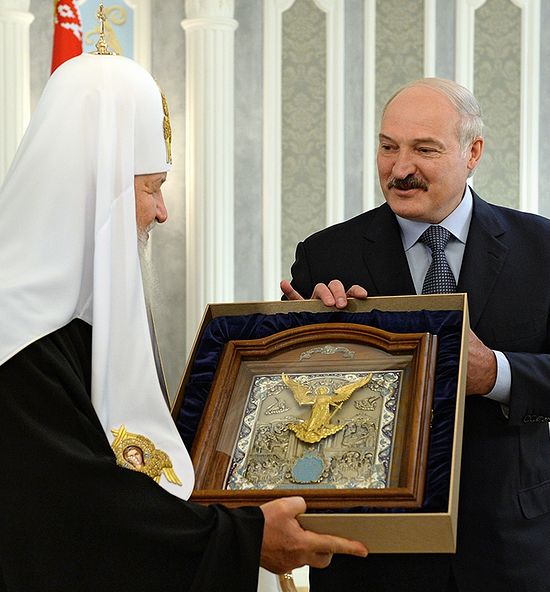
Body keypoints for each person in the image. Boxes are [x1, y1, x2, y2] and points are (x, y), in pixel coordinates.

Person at [0, 52, 367, 591]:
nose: (162, 212)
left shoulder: (64, 326)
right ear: (98, 190)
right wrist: (244, 537)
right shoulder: (16, 337)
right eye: (152, 187)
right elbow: (75, 516)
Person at [281, 78, 550, 591]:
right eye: (388, 147)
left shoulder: (542, 248)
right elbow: (293, 406)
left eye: (424, 150)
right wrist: (305, 347)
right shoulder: (325, 255)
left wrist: (496, 373)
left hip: (510, 548)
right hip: (370, 554)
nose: (400, 168)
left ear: (473, 152)